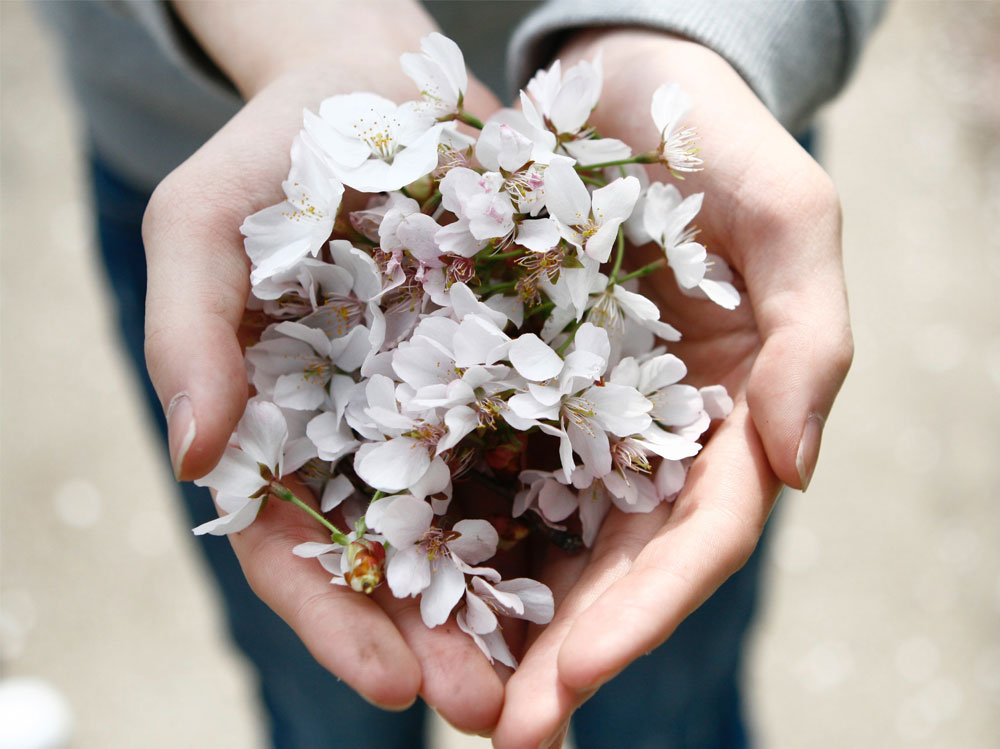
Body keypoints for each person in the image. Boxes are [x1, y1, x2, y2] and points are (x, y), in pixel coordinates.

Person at [40, 2, 884, 746]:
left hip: (695, 85)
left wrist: (704, 34)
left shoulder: (622, 222)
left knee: (667, 707)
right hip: (186, 134)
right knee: (329, 709)